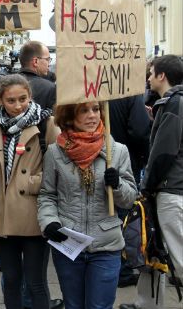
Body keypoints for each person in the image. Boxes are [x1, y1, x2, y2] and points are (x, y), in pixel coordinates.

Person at [38, 101, 137, 309]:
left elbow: (129, 199)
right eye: (84, 110)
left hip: (107, 245)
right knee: (73, 305)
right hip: (68, 245)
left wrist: (117, 185)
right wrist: (49, 222)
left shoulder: (117, 151)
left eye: (96, 109)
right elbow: (47, 195)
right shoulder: (55, 153)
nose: (93, 115)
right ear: (69, 116)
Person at [0, 74, 59, 309]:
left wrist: (28, 184)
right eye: (11, 100)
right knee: (11, 280)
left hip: (33, 214)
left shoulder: (46, 123)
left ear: (30, 96)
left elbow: (58, 171)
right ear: (1, 100)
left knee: (35, 283)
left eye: (22, 99)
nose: (17, 106)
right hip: (3, 214)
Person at [120, 55, 183, 309]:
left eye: (151, 72)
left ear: (162, 76)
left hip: (170, 189)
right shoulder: (170, 102)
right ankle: (146, 304)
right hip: (168, 188)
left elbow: (164, 151)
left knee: (178, 254)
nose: (147, 78)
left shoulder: (175, 103)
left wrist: (147, 186)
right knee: (153, 249)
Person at [108, 95, 151, 288]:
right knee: (123, 216)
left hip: (97, 160)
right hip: (124, 161)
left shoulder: (87, 87)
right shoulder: (129, 94)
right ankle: (122, 269)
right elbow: (140, 131)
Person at [18, 41, 56, 110]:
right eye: (47, 59)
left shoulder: (3, 86)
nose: (49, 64)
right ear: (35, 61)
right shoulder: (50, 88)